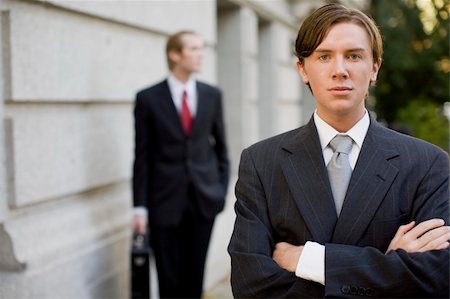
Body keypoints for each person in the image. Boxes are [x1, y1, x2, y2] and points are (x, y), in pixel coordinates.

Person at [228, 3, 450, 298]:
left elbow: (435, 278)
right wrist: (385, 264)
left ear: (374, 68)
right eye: (324, 56)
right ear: (302, 69)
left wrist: (308, 260)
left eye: (354, 56)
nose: (340, 70)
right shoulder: (261, 162)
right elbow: (250, 285)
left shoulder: (427, 163)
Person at [132, 31, 229, 298]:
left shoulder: (212, 95)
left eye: (202, 48)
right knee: (168, 278)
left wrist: (220, 190)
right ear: (175, 55)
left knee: (194, 277)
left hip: (203, 199)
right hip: (163, 201)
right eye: (194, 49)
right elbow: (142, 156)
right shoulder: (148, 99)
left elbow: (221, 149)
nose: (201, 54)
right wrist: (139, 207)